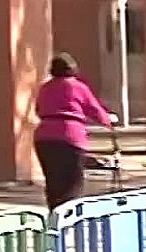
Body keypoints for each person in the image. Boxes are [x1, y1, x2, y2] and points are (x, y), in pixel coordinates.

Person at [32, 53, 116, 211]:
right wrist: (108, 121)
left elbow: (38, 109)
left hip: (44, 137)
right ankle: (68, 219)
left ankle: (54, 215)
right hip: (70, 137)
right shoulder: (78, 86)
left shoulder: (45, 88)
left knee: (53, 180)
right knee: (72, 184)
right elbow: (94, 109)